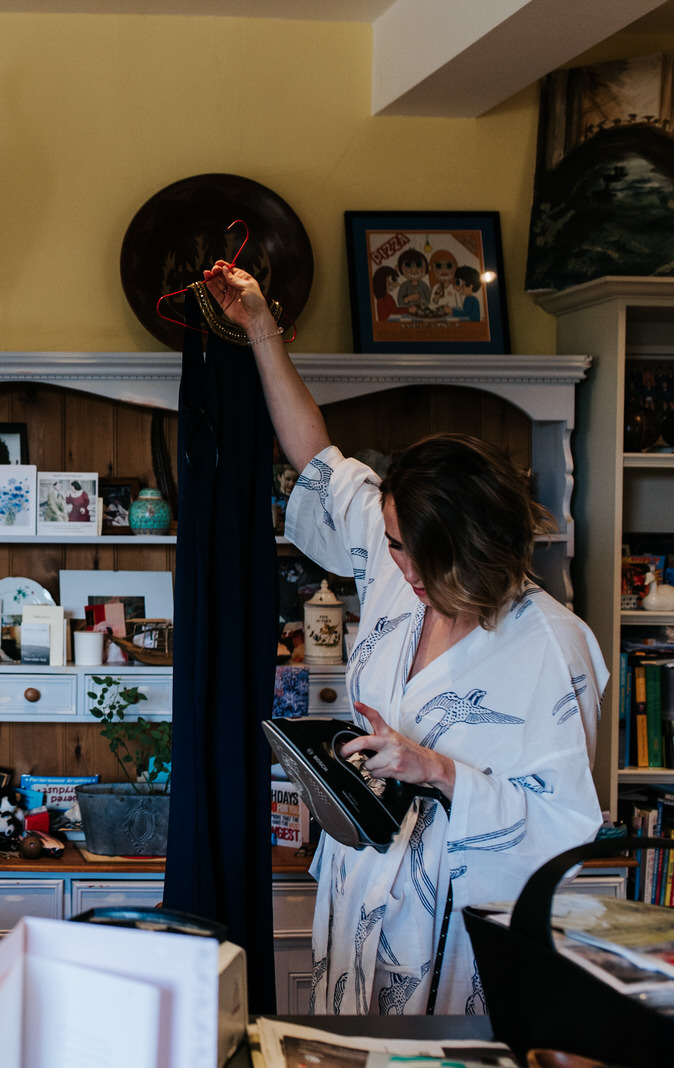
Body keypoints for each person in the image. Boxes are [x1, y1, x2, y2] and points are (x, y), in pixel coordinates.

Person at [202, 260, 606, 1015]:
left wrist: (436, 770)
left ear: (481, 544)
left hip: (453, 925)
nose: (404, 567)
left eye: (426, 554)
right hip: (359, 895)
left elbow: (565, 833)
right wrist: (259, 327)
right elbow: (315, 461)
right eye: (391, 542)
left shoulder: (554, 646)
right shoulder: (394, 567)